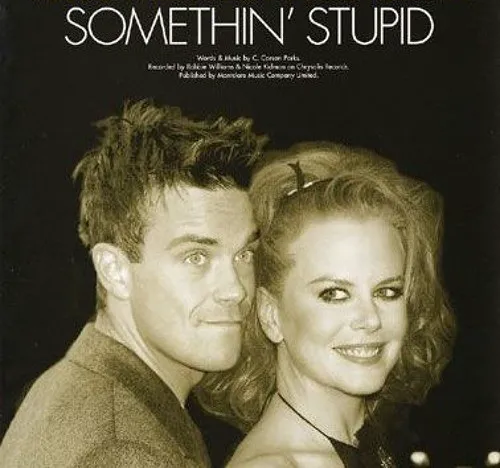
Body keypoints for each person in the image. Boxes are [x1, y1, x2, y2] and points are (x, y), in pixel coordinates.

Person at [0, 100, 266, 467]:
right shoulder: (124, 449)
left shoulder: (83, 386)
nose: (235, 289)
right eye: (196, 257)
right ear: (114, 270)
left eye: (244, 254)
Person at [197, 142, 456, 467]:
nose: (370, 319)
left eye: (387, 292)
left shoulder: (363, 445)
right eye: (334, 294)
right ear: (270, 315)